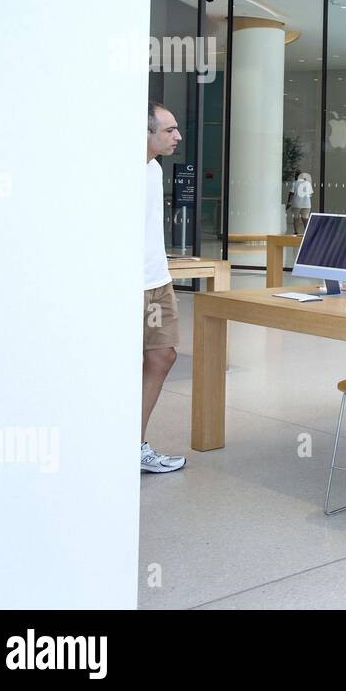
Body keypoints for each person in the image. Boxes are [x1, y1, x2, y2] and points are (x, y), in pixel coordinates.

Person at [142, 102, 187, 474]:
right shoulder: (115, 170)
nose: (177, 136)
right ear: (147, 132)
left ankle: (134, 445)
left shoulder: (155, 170)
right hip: (127, 286)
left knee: (163, 356)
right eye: (169, 130)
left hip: (158, 281)